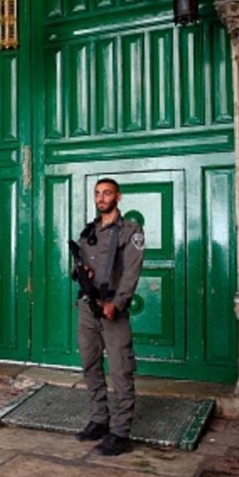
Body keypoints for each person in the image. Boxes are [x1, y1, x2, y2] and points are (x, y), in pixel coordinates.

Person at [74, 178, 145, 456]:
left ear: (118, 196)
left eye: (107, 193)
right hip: (87, 308)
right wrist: (82, 273)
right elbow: (78, 267)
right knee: (90, 364)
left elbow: (131, 272)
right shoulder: (88, 231)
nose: (101, 198)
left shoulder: (130, 232)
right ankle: (99, 420)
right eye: (97, 194)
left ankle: (120, 432)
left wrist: (117, 303)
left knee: (120, 369)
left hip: (112, 308)